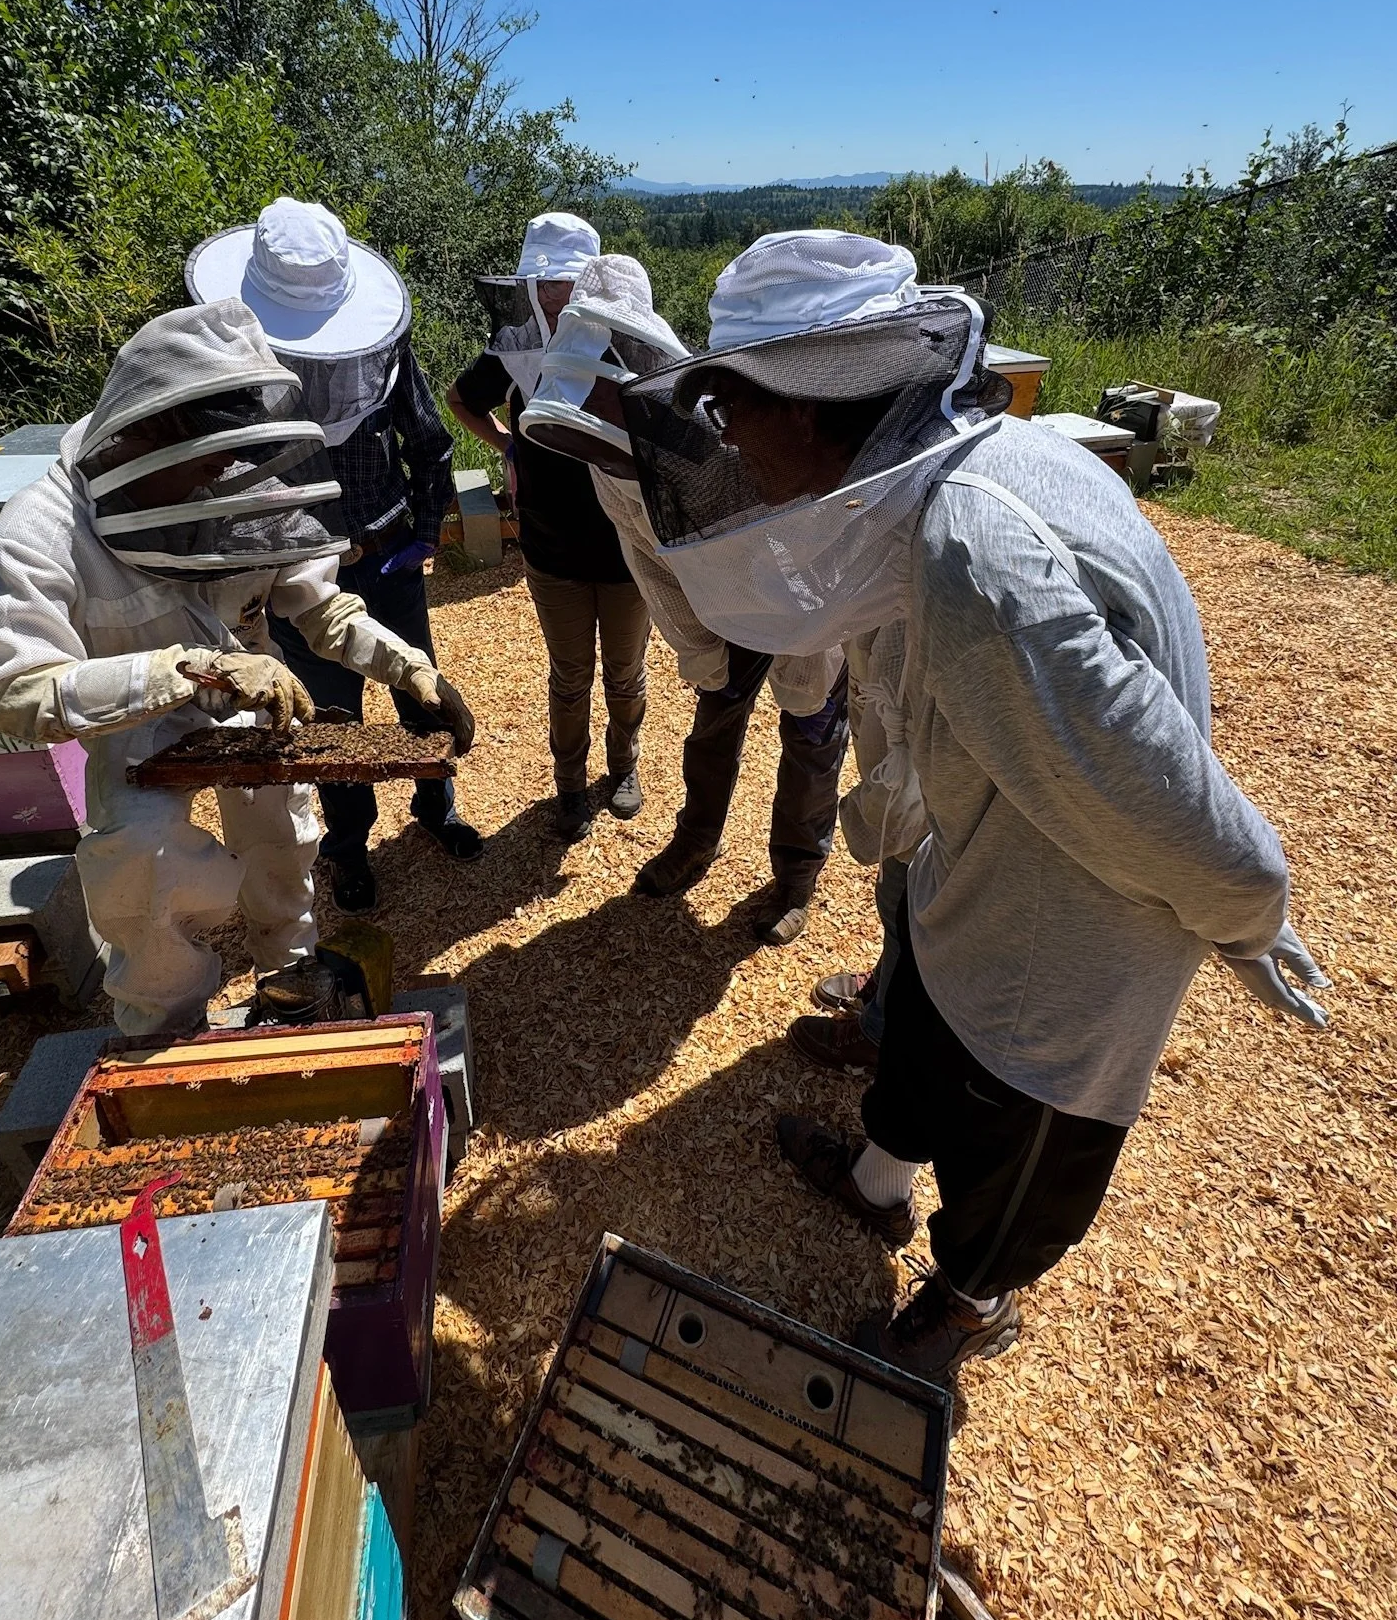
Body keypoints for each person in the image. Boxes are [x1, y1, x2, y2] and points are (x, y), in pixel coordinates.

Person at [619, 227, 1330, 1381]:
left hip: (1071, 938)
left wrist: (1250, 917)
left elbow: (1168, 805)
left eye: (729, 405)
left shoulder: (975, 558)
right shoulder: (932, 489)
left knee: (1014, 1148)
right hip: (981, 865)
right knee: (927, 1043)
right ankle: (876, 1185)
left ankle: (962, 1308)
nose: (723, 443)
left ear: (805, 407)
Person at [0, 298, 475, 1035]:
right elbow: (15, 691)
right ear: (144, 437)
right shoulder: (41, 530)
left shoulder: (235, 488)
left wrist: (411, 669)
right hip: (131, 720)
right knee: (138, 859)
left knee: (283, 833)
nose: (218, 478)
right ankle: (160, 1021)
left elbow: (320, 608)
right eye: (203, 463)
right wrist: (192, 672)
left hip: (249, 707)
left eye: (227, 460)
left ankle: (288, 972)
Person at [520, 249, 851, 946]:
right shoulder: (602, 449)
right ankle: (695, 842)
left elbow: (805, 533)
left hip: (808, 593)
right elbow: (650, 562)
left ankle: (796, 875)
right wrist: (702, 648)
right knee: (714, 721)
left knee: (812, 730)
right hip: (726, 606)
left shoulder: (725, 429)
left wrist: (811, 634)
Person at [187, 199, 481, 916]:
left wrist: (427, 527)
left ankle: (435, 808)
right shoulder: (228, 368)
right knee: (329, 719)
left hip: (385, 552)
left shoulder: (380, 346)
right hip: (289, 569)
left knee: (420, 691)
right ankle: (348, 850)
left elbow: (429, 439)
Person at [447, 216, 651, 841]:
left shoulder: (630, 346)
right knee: (569, 677)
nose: (554, 295)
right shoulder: (513, 350)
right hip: (550, 541)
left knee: (625, 672)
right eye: (544, 284)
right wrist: (507, 446)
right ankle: (568, 785)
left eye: (565, 282)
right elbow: (461, 400)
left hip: (625, 547)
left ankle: (623, 768)